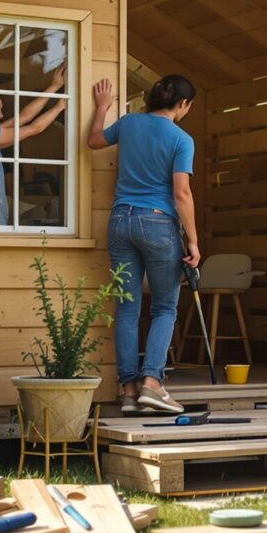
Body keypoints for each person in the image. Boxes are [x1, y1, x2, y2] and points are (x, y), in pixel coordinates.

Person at [88, 74, 200, 414]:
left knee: (126, 309)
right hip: (156, 222)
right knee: (165, 307)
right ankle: (152, 383)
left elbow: (93, 141)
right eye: (188, 106)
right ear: (182, 104)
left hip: (120, 220)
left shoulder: (128, 123)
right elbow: (181, 192)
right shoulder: (182, 139)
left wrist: (102, 108)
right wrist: (193, 240)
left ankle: (128, 391)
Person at [0, 67, 66, 228]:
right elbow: (33, 128)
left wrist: (54, 87)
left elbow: (23, 117)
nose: (1, 115)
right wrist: (60, 106)